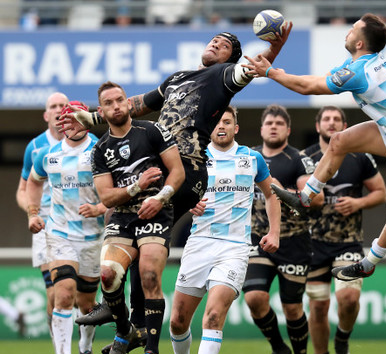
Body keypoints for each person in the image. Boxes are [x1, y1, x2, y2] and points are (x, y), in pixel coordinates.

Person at [60, 26, 291, 326]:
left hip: (188, 169)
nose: (215, 43)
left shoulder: (223, 77)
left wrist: (274, 50)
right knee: (124, 221)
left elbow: (251, 68)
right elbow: (137, 105)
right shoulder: (177, 78)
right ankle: (130, 319)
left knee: (139, 228)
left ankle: (132, 319)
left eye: (223, 46)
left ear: (227, 60)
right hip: (162, 165)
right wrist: (92, 119)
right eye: (214, 40)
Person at [244, 13, 386, 281]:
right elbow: (318, 78)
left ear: (361, 43)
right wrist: (273, 64)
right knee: (339, 141)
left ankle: (370, 262)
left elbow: (307, 87)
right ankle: (305, 198)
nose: (348, 31)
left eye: (353, 29)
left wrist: (269, 72)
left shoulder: (359, 72)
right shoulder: (359, 63)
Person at [153, 105, 280, 354]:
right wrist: (189, 205)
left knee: (213, 316)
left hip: (234, 248)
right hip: (199, 244)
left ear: (236, 127)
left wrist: (274, 232)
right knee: (177, 322)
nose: (221, 126)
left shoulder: (252, 159)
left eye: (227, 122)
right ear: (208, 128)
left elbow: (272, 193)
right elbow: (174, 196)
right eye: (216, 122)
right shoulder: (195, 159)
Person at [91, 81, 185, 354]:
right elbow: (106, 197)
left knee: (148, 274)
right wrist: (137, 186)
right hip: (122, 216)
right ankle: (125, 329)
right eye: (109, 102)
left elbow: (177, 172)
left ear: (127, 102)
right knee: (107, 276)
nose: (116, 105)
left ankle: (152, 353)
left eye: (120, 99)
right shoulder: (100, 149)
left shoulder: (152, 131)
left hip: (156, 211)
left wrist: (160, 197)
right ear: (102, 110)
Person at [303, 106, 386, 354]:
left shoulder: (360, 157)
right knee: (317, 307)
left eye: (336, 119)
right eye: (326, 119)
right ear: (317, 126)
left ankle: (342, 338)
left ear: (345, 125)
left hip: (348, 242)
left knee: (348, 298)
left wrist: (358, 202)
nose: (331, 123)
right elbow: (297, 197)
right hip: (313, 243)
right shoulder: (306, 159)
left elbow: (381, 193)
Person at [26, 101, 105, 354]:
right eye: (64, 120)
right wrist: (34, 213)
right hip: (59, 233)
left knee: (86, 304)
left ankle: (84, 348)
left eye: (74, 119)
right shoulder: (48, 155)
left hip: (93, 237)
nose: (68, 124)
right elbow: (33, 182)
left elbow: (116, 188)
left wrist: (101, 208)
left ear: (86, 121)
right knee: (64, 293)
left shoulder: (100, 150)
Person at [242, 104, 322, 354]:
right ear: (261, 128)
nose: (273, 126)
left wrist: (281, 191)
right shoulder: (248, 158)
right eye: (269, 123)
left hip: (294, 241)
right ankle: (278, 348)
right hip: (258, 238)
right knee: (253, 297)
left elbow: (315, 197)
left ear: (288, 130)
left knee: (292, 308)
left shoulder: (298, 159)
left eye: (279, 123)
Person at [16, 91, 69, 354]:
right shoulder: (35, 148)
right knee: (54, 293)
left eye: (63, 105)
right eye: (53, 106)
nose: (59, 110)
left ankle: (82, 349)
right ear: (46, 115)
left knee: (82, 299)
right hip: (47, 227)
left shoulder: (86, 144)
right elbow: (22, 190)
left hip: (80, 227)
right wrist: (32, 214)